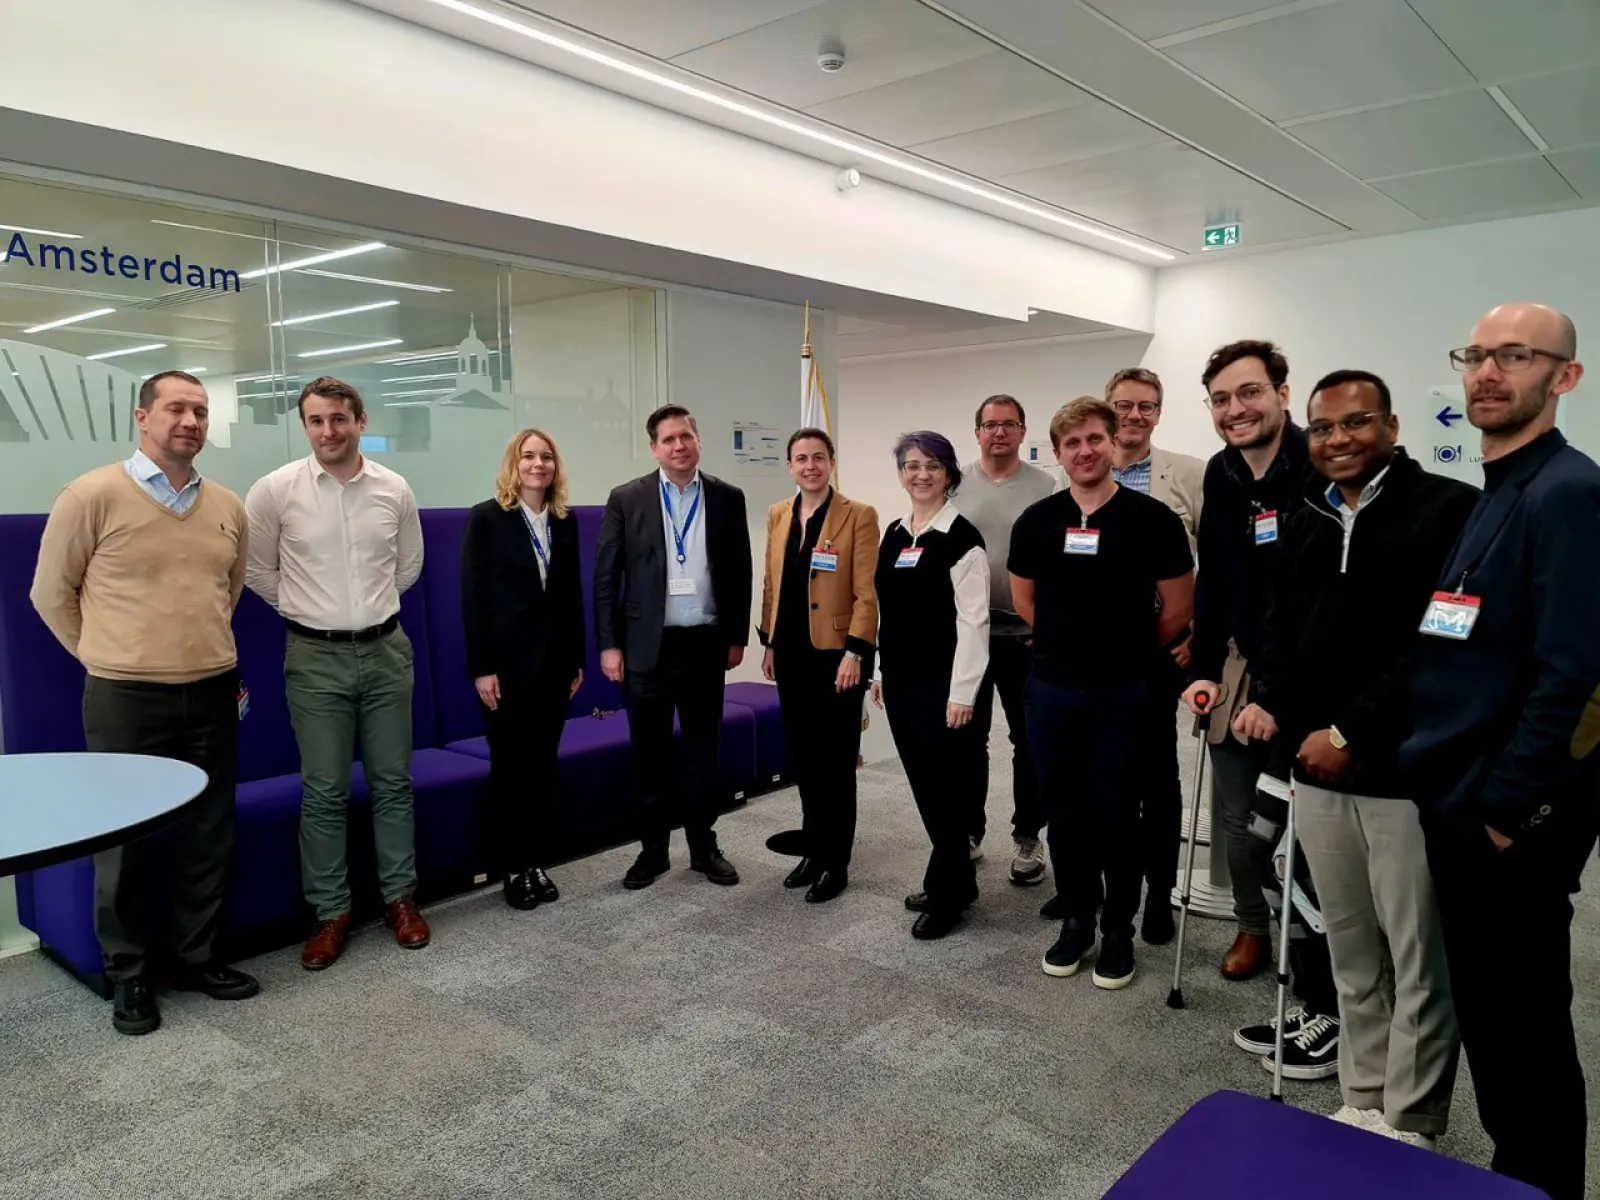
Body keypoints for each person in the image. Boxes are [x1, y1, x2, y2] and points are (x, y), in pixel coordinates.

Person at [1234, 369, 1475, 1139]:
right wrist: (1272, 699)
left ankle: (1409, 1118)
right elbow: (1283, 627)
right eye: (1324, 427)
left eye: (1356, 423)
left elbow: (1441, 646)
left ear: (1392, 427)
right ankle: (1363, 1095)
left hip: (1404, 775)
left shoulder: (1446, 510)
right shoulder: (1306, 517)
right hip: (1317, 771)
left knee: (1416, 961)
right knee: (1349, 950)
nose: (1337, 439)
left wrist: (1349, 734)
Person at [1399, 303, 1598, 1200]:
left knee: (1523, 1032)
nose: (1488, 372)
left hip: (1505, 817)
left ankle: (1542, 1182)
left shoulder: (1567, 492)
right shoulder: (1500, 489)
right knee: (1493, 1020)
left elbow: (1577, 676)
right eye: (1476, 355)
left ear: (1564, 377)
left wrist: (1513, 811)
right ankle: (1520, 1172)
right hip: (1460, 797)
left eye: (1515, 356)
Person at [30, 370, 258, 1035]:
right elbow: (50, 595)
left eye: (201, 410)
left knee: (209, 832)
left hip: (213, 688)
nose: (190, 420)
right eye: (177, 408)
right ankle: (128, 974)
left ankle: (197, 957)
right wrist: (108, 655)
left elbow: (228, 591)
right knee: (123, 843)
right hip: (125, 696)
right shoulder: (90, 495)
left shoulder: (226, 504)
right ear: (142, 416)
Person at [245, 376, 428, 970]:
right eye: (317, 421)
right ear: (305, 427)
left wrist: (363, 613)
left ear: (361, 421)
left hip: (384, 651)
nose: (329, 431)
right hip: (314, 657)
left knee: (393, 783)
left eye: (339, 420)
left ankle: (400, 900)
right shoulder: (275, 491)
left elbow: (407, 567)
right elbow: (258, 571)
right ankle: (331, 913)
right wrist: (314, 612)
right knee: (323, 791)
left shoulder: (393, 488)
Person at [1010, 397, 1192, 989]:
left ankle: (1119, 930)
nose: (1084, 452)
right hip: (1053, 690)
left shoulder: (1152, 520)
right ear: (1058, 453)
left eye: (1094, 439)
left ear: (1113, 443)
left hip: (1124, 692)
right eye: (1071, 444)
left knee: (1118, 813)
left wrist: (1126, 650)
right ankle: (1078, 922)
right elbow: (1025, 603)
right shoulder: (1036, 521)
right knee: (1065, 813)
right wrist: (1068, 645)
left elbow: (1178, 609)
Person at [1180, 340, 1313, 982]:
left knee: (1304, 823)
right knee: (1237, 817)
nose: (1236, 409)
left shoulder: (1320, 464)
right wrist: (1202, 667)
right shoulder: (1221, 471)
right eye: (1221, 399)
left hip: (1310, 680)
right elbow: (1213, 577)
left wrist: (1278, 693)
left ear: (1283, 395)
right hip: (1237, 669)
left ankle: (1315, 938)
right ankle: (1252, 925)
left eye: (1250, 392)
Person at [594, 404, 752, 890]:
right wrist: (608, 645)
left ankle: (704, 849)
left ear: (698, 441)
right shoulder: (628, 498)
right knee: (651, 754)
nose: (679, 446)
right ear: (654, 448)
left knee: (705, 753)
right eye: (668, 439)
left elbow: (740, 568)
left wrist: (737, 635)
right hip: (646, 648)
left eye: (686, 436)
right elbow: (606, 576)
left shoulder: (728, 496)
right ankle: (653, 853)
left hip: (705, 644)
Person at [460, 428, 586, 910]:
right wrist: (481, 668)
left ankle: (535, 860)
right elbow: (473, 600)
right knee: (511, 770)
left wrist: (576, 657)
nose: (538, 464)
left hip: (554, 667)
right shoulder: (488, 519)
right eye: (529, 456)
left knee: (542, 769)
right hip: (506, 670)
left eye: (546, 457)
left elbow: (572, 594)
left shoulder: (564, 521)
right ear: (514, 464)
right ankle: (512, 866)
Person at [870, 431, 989, 940]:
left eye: (933, 465)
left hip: (944, 687)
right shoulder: (895, 533)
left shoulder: (963, 539)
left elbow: (974, 623)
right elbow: (887, 611)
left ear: (949, 474)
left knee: (945, 789)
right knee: (923, 784)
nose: (921, 474)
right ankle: (954, 878)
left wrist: (963, 692)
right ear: (900, 473)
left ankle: (949, 894)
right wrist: (879, 669)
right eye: (912, 465)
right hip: (899, 681)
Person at [1104, 367, 1206, 945]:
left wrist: (1203, 631)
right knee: (1104, 775)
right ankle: (1105, 887)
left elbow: (1218, 564)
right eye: (1123, 405)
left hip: (1163, 647)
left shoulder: (1189, 476)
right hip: (1095, 655)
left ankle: (1159, 895)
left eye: (1146, 406)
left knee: (1156, 775)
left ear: (1159, 414)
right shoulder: (1081, 473)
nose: (1133, 415)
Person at [757, 428, 879, 903]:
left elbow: (868, 594)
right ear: (789, 466)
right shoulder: (778, 514)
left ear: (832, 463)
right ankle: (813, 846)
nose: (810, 466)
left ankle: (837, 860)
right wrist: (768, 643)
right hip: (790, 653)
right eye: (801, 458)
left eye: (819, 457)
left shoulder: (858, 515)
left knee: (834, 759)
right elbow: (773, 584)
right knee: (805, 758)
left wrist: (856, 652)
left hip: (837, 656)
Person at [951, 395, 1055, 885]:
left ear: (1021, 430)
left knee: (1028, 740)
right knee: (968, 739)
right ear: (977, 432)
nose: (998, 432)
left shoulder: (1045, 485)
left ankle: (1027, 838)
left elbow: (1056, 559)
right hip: (970, 634)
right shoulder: (955, 483)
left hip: (1025, 635)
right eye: (989, 425)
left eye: (1008, 424)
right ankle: (969, 832)